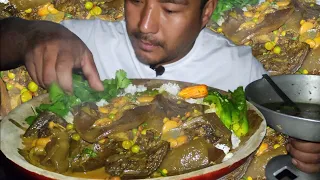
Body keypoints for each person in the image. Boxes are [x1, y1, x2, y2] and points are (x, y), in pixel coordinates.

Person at [0, 0, 319, 174]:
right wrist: (31, 35)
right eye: (137, 1)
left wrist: (307, 151)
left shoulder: (240, 70)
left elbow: (283, 143)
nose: (145, 25)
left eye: (170, 8)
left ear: (206, 11)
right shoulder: (85, 38)